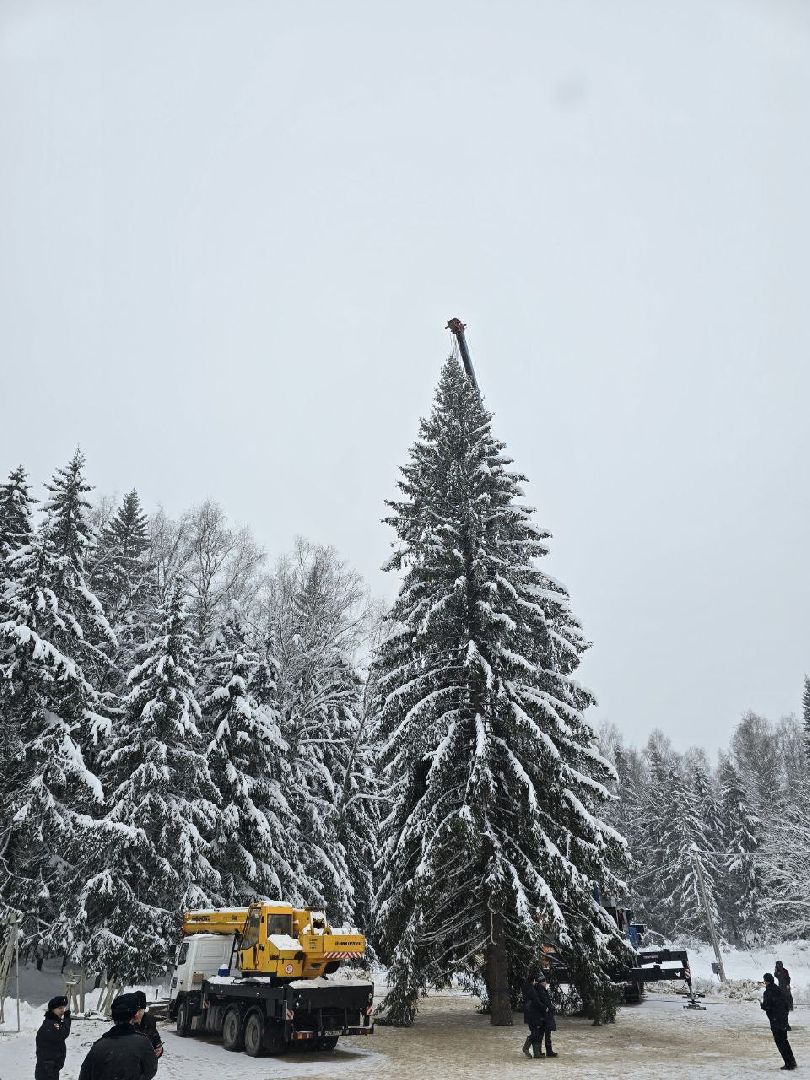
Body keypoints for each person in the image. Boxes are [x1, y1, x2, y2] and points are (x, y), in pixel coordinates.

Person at [78, 993, 158, 1080]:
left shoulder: (99, 1046)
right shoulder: (143, 1043)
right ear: (135, 1015)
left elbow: (84, 1075)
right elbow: (151, 1070)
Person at [761, 972, 797, 1072]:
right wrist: (784, 1018)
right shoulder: (778, 990)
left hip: (776, 1022)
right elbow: (786, 1005)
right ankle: (792, 1062)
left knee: (780, 1043)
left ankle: (788, 1064)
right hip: (783, 1021)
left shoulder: (768, 993)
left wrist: (762, 1005)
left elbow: (767, 1006)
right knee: (785, 1041)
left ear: (766, 981)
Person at [35, 995, 71, 1080]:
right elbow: (63, 1033)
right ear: (52, 1009)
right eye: (59, 1008)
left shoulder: (53, 1022)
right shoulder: (51, 1024)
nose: (62, 1010)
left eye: (63, 1008)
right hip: (47, 1070)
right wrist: (67, 1019)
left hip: (50, 1068)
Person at [522, 969, 546, 1059]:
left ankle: (536, 1053)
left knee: (536, 1032)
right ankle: (526, 1048)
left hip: (531, 1014)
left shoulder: (529, 988)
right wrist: (545, 1007)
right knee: (535, 1033)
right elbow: (536, 1001)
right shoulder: (531, 990)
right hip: (532, 1015)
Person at [133, 991, 163, 1059]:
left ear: (144, 1009)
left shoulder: (150, 1020)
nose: (137, 1013)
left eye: (140, 1010)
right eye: (135, 1010)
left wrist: (159, 1048)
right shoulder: (128, 1021)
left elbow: (155, 1037)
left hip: (147, 1063)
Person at [534, 973, 558, 1059]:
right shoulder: (541, 990)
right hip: (545, 1015)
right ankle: (547, 1051)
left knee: (544, 1033)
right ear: (541, 982)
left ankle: (543, 1051)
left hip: (543, 1014)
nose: (546, 982)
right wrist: (551, 1008)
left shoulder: (540, 989)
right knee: (545, 1033)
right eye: (544, 981)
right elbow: (545, 1001)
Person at [775, 962, 794, 1031]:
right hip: (781, 988)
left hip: (785, 988)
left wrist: (788, 984)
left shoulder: (784, 971)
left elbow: (788, 978)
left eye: (778, 965)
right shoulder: (778, 971)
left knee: (788, 998)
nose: (778, 967)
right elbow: (776, 975)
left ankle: (790, 1007)